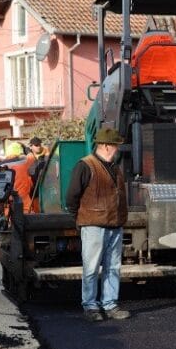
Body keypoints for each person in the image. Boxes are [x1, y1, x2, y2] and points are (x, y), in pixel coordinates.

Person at [66, 127, 131, 322]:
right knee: (92, 267)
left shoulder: (114, 167)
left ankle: (110, 304)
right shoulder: (85, 165)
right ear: (105, 145)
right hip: (93, 224)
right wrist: (78, 217)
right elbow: (72, 196)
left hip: (114, 224)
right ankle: (91, 305)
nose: (117, 149)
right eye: (115, 145)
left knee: (113, 267)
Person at [0, 142, 35, 213]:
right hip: (24, 199)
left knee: (9, 218)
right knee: (27, 218)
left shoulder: (1, 166)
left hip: (8, 199)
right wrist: (28, 150)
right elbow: (32, 158)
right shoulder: (25, 162)